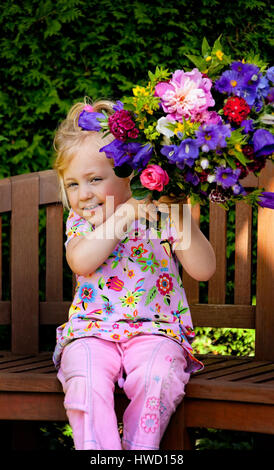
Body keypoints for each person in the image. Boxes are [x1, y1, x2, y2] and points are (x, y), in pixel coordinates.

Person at [52, 99, 216, 450]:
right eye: (72, 185)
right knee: (86, 380)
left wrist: (181, 214)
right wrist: (125, 214)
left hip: (155, 331)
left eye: (94, 179)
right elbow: (81, 261)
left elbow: (204, 270)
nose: (83, 195)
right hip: (92, 332)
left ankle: (141, 451)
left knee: (158, 377)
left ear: (129, 173)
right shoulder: (82, 222)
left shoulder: (161, 215)